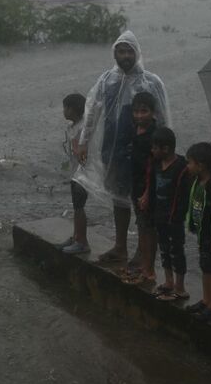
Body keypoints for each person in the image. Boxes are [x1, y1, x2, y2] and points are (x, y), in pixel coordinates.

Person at [75, 30, 169, 266]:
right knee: (119, 199)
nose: (125, 56)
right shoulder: (107, 80)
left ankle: (143, 254)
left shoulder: (151, 82)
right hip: (113, 150)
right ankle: (120, 247)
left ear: (137, 53)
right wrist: (84, 142)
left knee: (143, 204)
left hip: (142, 152)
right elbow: (92, 112)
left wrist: (164, 151)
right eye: (121, 51)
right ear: (114, 53)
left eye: (129, 51)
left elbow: (163, 118)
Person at [139, 127, 191, 302]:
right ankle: (169, 282)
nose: (152, 151)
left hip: (174, 217)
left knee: (177, 251)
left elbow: (184, 195)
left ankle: (180, 287)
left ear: (166, 149)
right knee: (164, 249)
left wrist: (178, 215)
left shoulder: (182, 167)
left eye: (155, 148)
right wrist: (147, 197)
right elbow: (151, 184)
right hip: (159, 214)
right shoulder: (155, 164)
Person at [183, 142, 211, 324]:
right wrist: (193, 224)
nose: (188, 166)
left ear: (200, 165)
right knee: (205, 267)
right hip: (203, 234)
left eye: (190, 163)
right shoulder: (197, 181)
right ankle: (206, 300)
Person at [124, 91, 159, 283]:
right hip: (136, 187)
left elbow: (153, 168)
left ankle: (149, 270)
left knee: (148, 229)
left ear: (153, 113)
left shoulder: (154, 136)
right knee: (142, 226)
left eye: (144, 111)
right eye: (136, 111)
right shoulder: (135, 130)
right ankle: (143, 266)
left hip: (148, 189)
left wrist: (147, 192)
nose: (139, 116)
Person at [60, 93, 91, 255]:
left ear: (74, 109)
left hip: (82, 174)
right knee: (76, 207)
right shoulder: (73, 127)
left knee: (79, 207)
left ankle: (82, 242)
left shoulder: (83, 128)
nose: (64, 111)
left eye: (66, 107)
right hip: (75, 173)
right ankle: (76, 236)